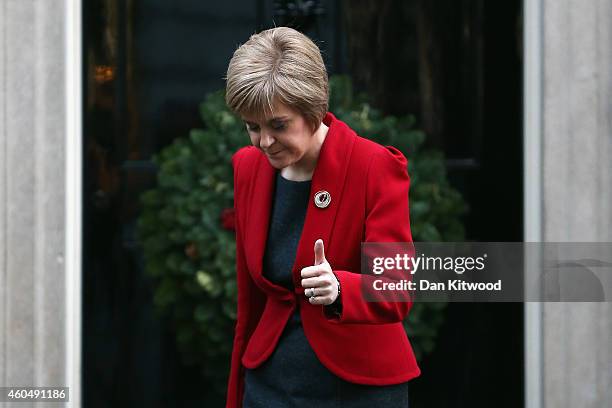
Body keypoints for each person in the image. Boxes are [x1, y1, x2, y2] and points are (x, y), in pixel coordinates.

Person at [224, 26, 420, 408]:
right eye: (252, 127)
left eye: (278, 125)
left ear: (312, 110)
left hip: (358, 390)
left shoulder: (374, 167)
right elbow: (249, 306)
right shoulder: (247, 167)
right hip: (270, 386)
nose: (264, 141)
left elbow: (397, 288)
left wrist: (341, 288)